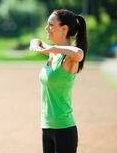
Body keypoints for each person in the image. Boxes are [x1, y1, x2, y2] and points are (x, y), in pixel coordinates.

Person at [29, 9, 88, 153]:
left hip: (64, 129)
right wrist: (38, 44)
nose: (46, 28)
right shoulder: (53, 54)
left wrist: (52, 48)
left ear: (64, 29)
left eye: (50, 25)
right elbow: (35, 41)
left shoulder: (68, 58)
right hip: (47, 127)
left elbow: (79, 53)